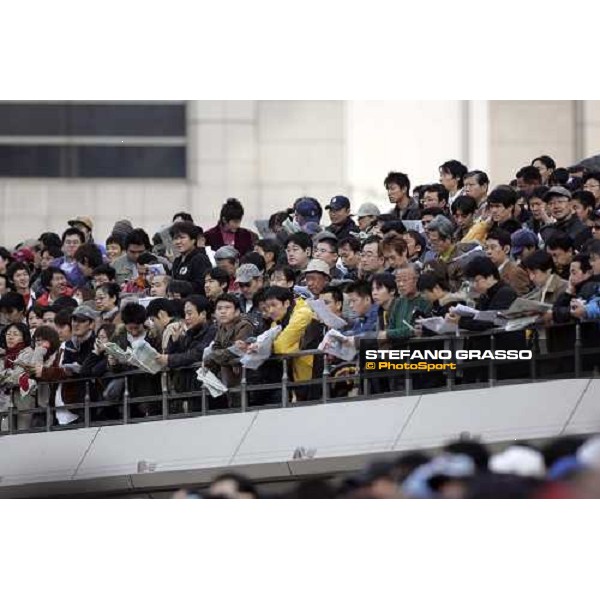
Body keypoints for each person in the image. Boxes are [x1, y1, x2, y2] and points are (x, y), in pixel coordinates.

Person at [155, 295, 216, 411]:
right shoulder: (189, 333)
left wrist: (169, 359)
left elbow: (198, 354)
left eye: (190, 313)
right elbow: (176, 353)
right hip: (188, 389)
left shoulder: (212, 331)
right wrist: (174, 341)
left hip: (205, 389)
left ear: (202, 314)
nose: (186, 318)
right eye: (185, 314)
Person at [204, 293, 256, 406]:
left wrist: (214, 357)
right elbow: (216, 348)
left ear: (237, 311)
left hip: (245, 377)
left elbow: (237, 351)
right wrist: (221, 354)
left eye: (227, 308)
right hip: (228, 376)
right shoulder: (221, 327)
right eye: (219, 308)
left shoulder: (244, 325)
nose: (223, 311)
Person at [264, 286, 314, 397]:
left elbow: (281, 347)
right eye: (267, 307)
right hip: (294, 377)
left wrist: (288, 348)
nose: (270, 311)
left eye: (274, 305)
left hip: (313, 372)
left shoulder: (303, 313)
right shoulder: (276, 322)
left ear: (286, 303)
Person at [484, 229, 531, 296]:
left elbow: (522, 301)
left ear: (506, 249)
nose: (488, 252)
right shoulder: (488, 271)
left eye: (493, 247)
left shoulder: (515, 272)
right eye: (486, 248)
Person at [170, 221, 211, 295]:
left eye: (182, 237)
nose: (178, 242)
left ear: (193, 240)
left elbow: (201, 286)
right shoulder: (177, 261)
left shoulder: (200, 258)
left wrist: (177, 285)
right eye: (175, 238)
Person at [234, 263, 265, 332]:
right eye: (241, 285)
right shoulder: (235, 301)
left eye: (248, 284)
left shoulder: (269, 302)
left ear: (260, 281)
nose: (244, 289)